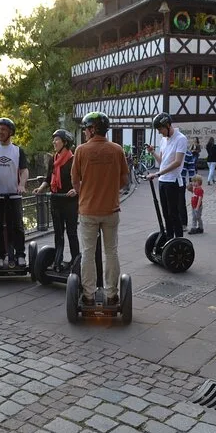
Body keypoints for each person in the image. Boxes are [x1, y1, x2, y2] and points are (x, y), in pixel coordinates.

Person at [71, 112, 128, 306]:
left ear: (92, 129)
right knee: (111, 251)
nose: (84, 132)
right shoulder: (117, 150)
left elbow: (75, 181)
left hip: (88, 210)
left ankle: (88, 295)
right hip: (111, 210)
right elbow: (124, 180)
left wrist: (86, 192)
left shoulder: (81, 151)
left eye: (86, 129)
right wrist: (110, 191)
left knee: (88, 252)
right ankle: (112, 294)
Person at [0, 117, 30, 268]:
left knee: (17, 226)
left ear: (10, 132)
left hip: (14, 195)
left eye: (3, 130)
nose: (0, 132)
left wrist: (21, 185)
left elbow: (24, 170)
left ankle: (20, 254)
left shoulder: (17, 150)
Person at [33, 129, 79, 271]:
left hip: (69, 201)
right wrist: (41, 188)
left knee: (71, 233)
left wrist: (76, 190)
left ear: (65, 142)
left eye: (57, 139)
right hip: (56, 200)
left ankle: (75, 261)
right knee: (58, 233)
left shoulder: (73, 160)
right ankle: (57, 261)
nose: (54, 142)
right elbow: (48, 178)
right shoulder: (53, 159)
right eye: (54, 139)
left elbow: (80, 179)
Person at [146, 112, 187, 240]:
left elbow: (177, 162)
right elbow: (162, 162)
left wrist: (157, 173)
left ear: (168, 125)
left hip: (173, 181)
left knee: (173, 213)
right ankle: (169, 238)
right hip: (163, 180)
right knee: (165, 214)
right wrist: (153, 152)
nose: (159, 132)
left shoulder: (181, 139)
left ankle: (179, 240)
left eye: (160, 129)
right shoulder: (163, 140)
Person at [179, 147, 196, 230]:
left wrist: (191, 182)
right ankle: (173, 222)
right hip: (169, 180)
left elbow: (191, 169)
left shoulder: (187, 153)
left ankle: (183, 223)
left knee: (181, 203)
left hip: (180, 181)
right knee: (171, 203)